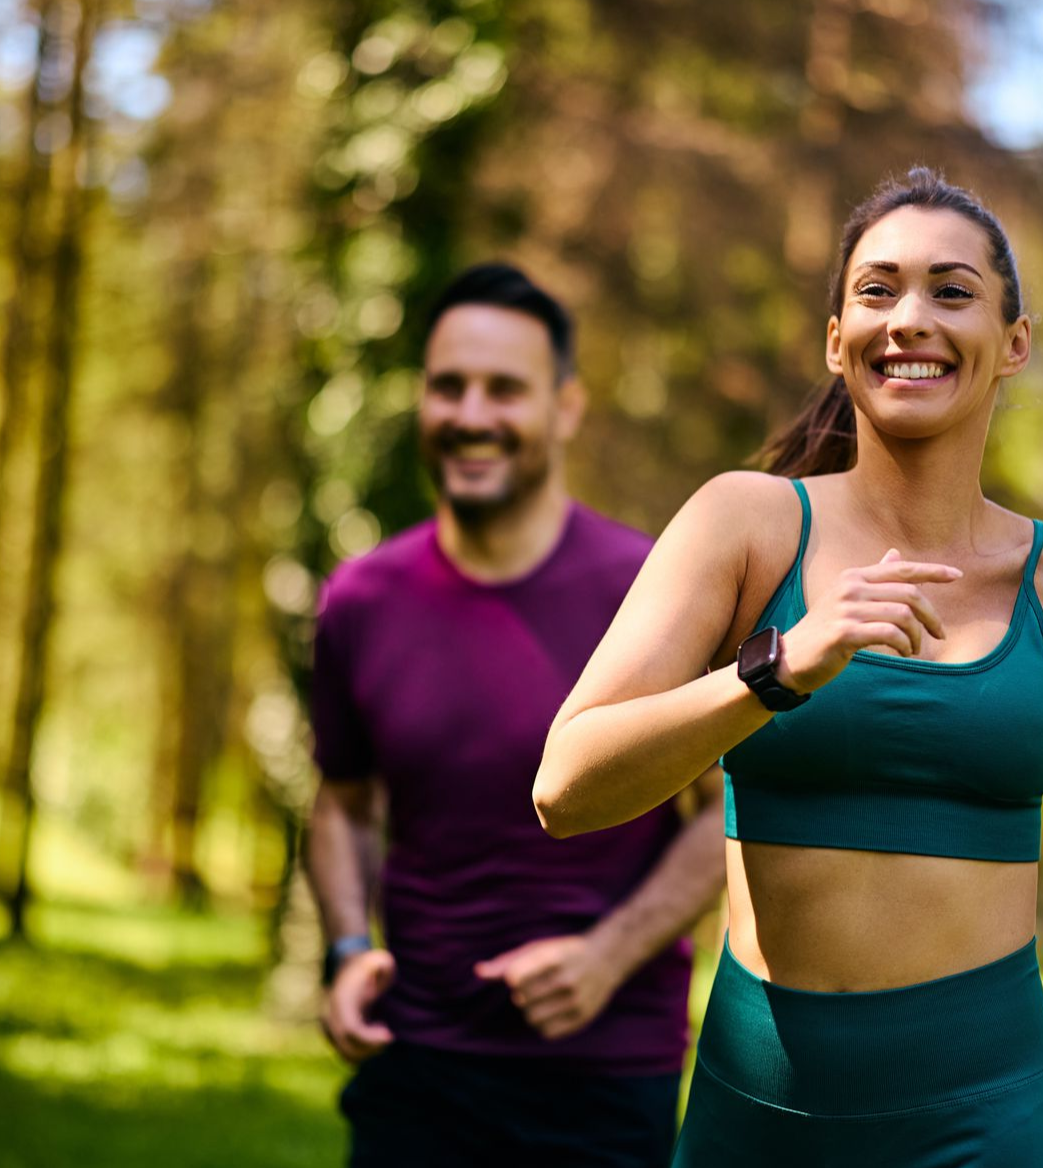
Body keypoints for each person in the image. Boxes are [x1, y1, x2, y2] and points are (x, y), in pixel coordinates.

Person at [533, 169, 1043, 1166]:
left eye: (951, 291)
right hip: (758, 1117)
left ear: (1013, 343)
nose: (910, 319)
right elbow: (565, 787)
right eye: (877, 290)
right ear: (835, 337)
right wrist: (779, 669)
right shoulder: (747, 525)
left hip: (991, 1117)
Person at [306, 262, 726, 1168]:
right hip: (411, 1072)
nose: (471, 413)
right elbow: (341, 801)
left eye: (504, 388)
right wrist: (345, 947)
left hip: (605, 1083)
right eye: (448, 385)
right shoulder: (361, 598)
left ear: (565, 407)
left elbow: (722, 813)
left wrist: (609, 955)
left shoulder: (647, 591)